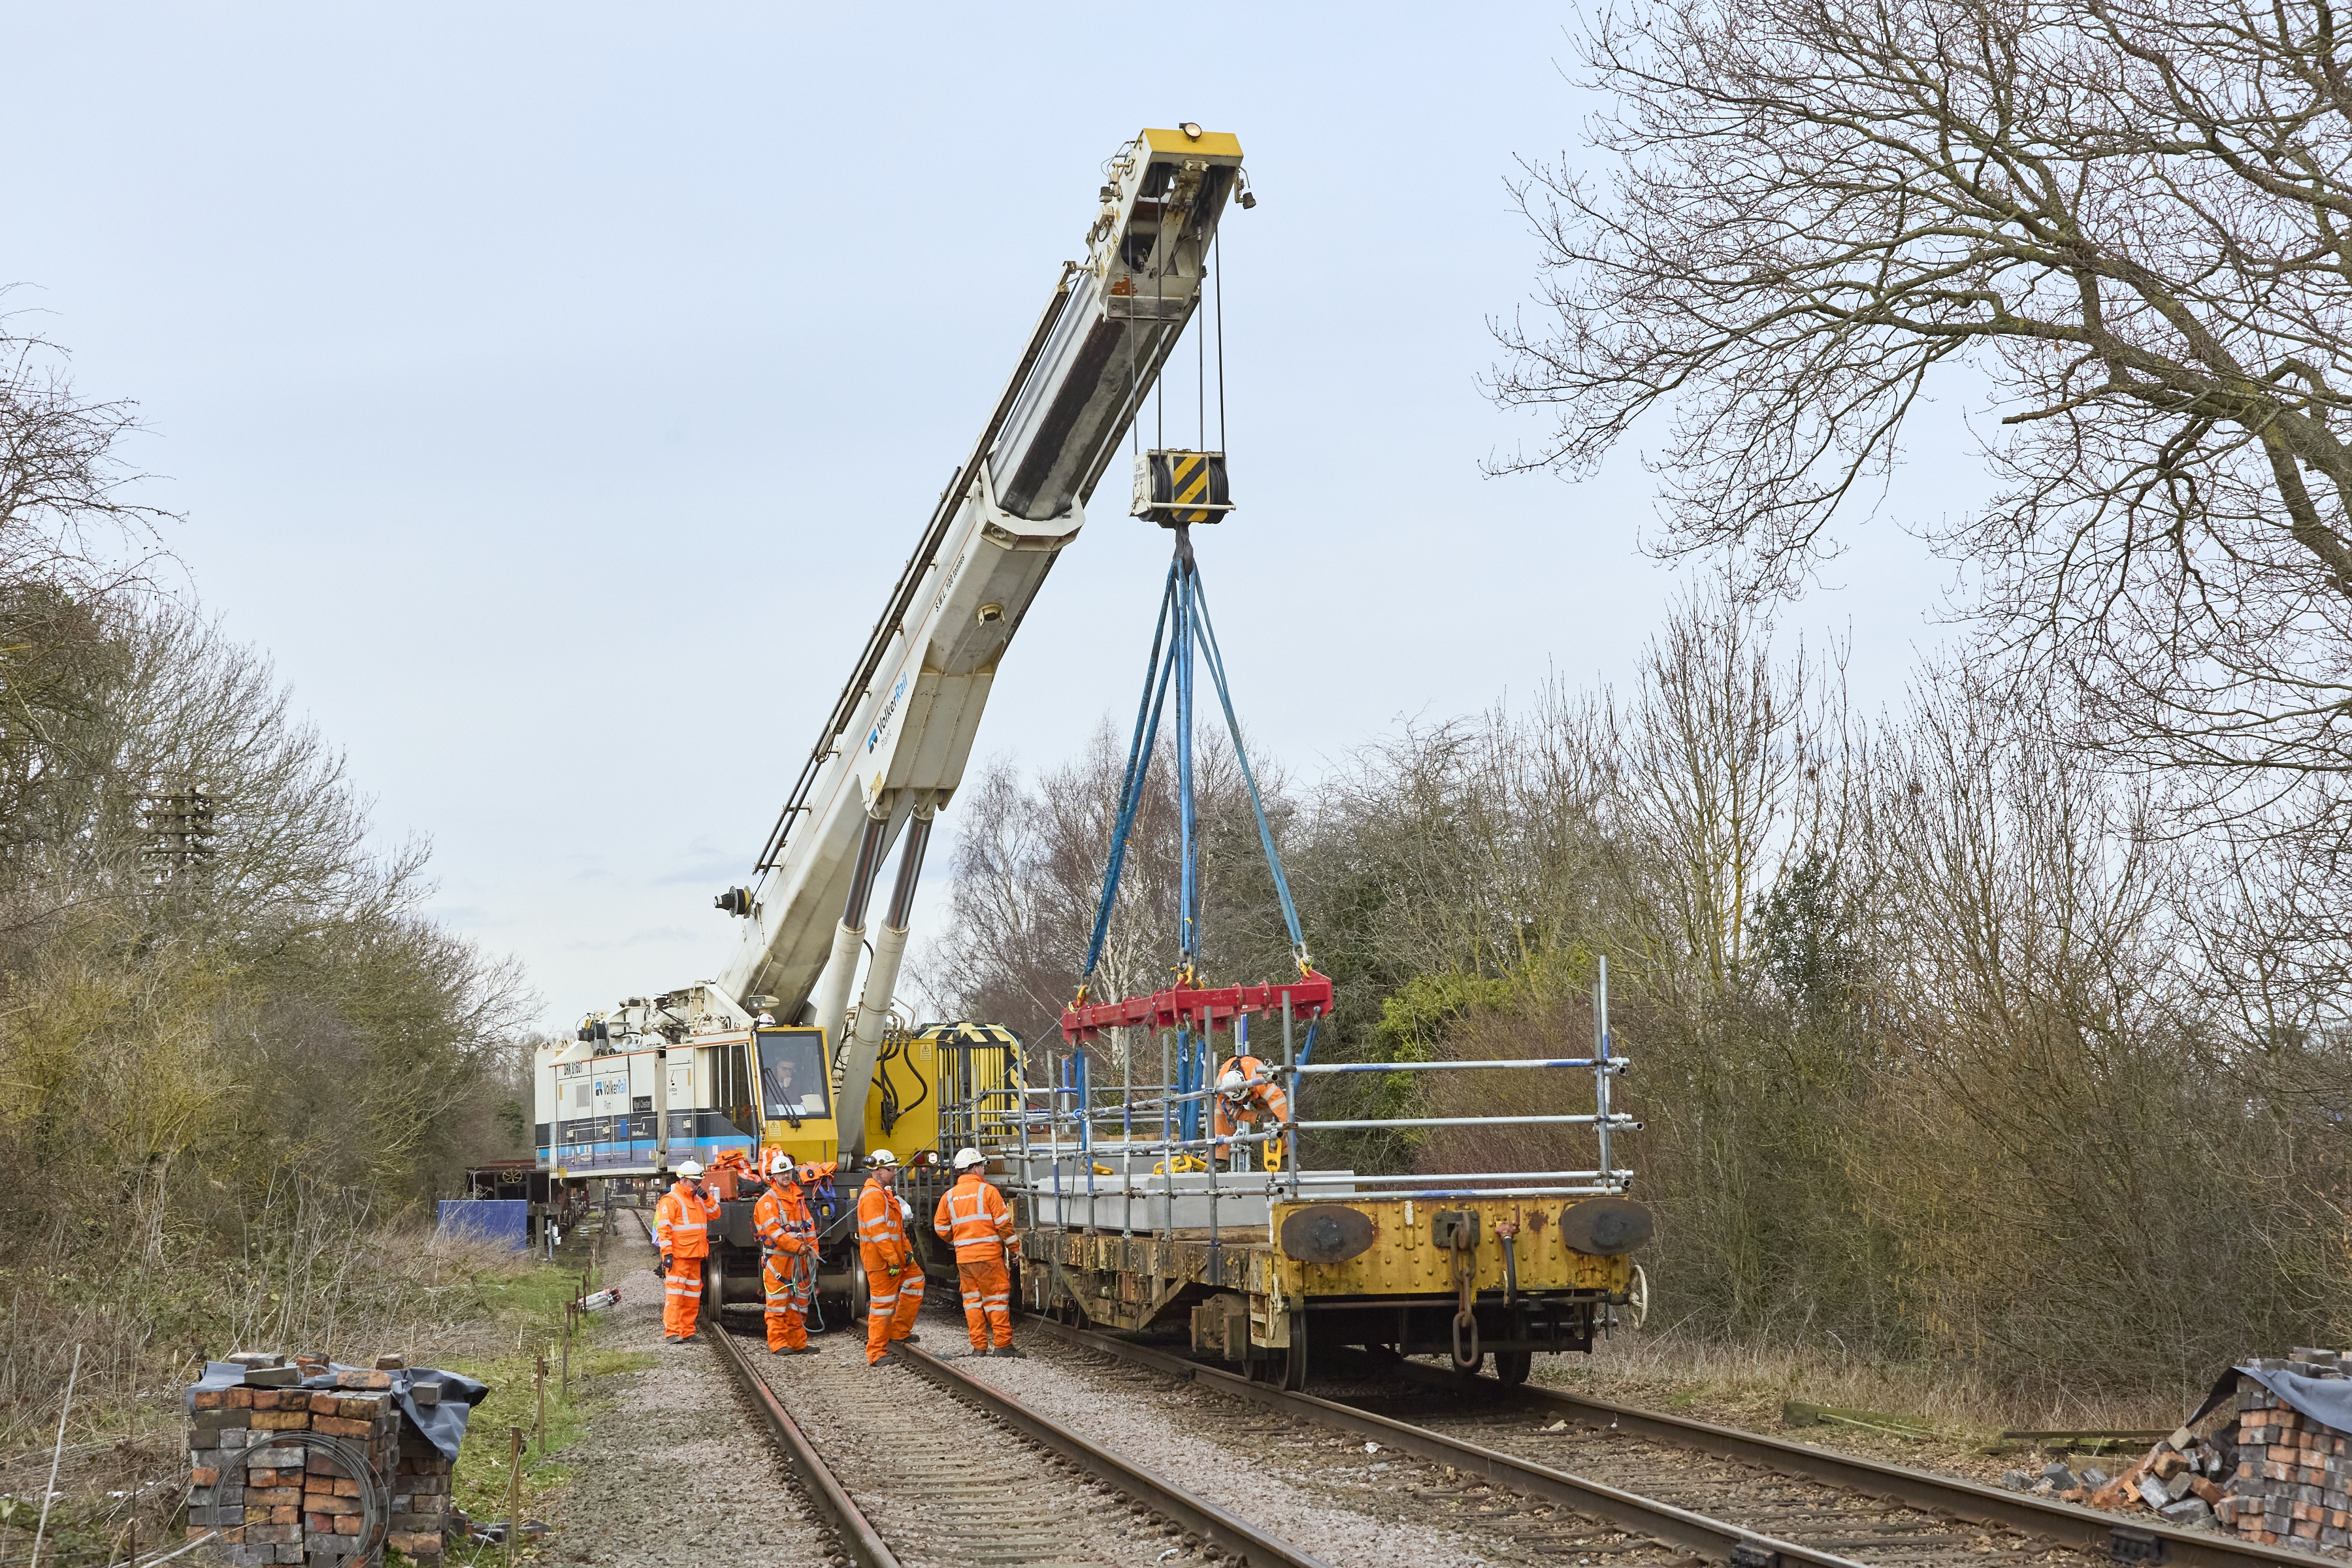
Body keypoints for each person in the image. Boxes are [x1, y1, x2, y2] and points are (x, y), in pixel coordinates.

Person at [933, 1147, 1018, 1356]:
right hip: (988, 1257)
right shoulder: (988, 1192)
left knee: (972, 1302)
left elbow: (941, 1228)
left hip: (965, 1259)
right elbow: (1004, 1225)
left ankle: (979, 1347)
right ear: (974, 1168)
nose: (983, 1169)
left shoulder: (949, 1196)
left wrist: (959, 1239)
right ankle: (1003, 1346)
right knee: (996, 1299)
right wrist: (1014, 1249)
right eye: (981, 1165)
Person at [855, 1149, 924, 1365]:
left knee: (916, 1281)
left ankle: (898, 1332)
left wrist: (907, 1251)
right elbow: (878, 1233)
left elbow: (897, 1229)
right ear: (877, 1171)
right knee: (882, 1306)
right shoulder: (872, 1197)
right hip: (882, 1262)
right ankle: (876, 1354)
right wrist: (892, 1259)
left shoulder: (884, 1194)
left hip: (896, 1258)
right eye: (891, 1169)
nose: (895, 1173)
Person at [753, 1152, 819, 1354]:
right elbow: (775, 1233)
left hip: (800, 1262)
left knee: (799, 1305)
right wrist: (798, 1247)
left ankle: (798, 1342)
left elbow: (810, 1228)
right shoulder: (767, 1201)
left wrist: (813, 1254)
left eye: (788, 1172)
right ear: (774, 1177)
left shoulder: (798, 1199)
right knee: (778, 1306)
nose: (786, 1177)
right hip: (778, 1262)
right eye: (781, 1174)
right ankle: (779, 1343)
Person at [653, 1158, 721, 1343]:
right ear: (684, 1180)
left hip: (695, 1256)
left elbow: (716, 1213)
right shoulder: (671, 1200)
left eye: (699, 1182)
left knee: (692, 1296)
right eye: (695, 1182)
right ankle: (673, 1332)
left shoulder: (698, 1198)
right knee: (676, 1296)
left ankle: (687, 1331)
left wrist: (706, 1197)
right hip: (679, 1257)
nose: (698, 1185)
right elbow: (664, 1229)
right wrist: (666, 1254)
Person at [1213, 1055, 1291, 1171]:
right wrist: (1257, 1118)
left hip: (1256, 1088)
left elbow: (1281, 1106)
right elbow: (1231, 1112)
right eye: (1239, 1100)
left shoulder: (1261, 1080)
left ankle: (1284, 1157)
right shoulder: (1221, 1088)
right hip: (1238, 1092)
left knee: (1275, 1119)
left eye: (1243, 1098)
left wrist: (1287, 1128)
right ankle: (1218, 1159)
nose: (1241, 1102)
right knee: (1222, 1116)